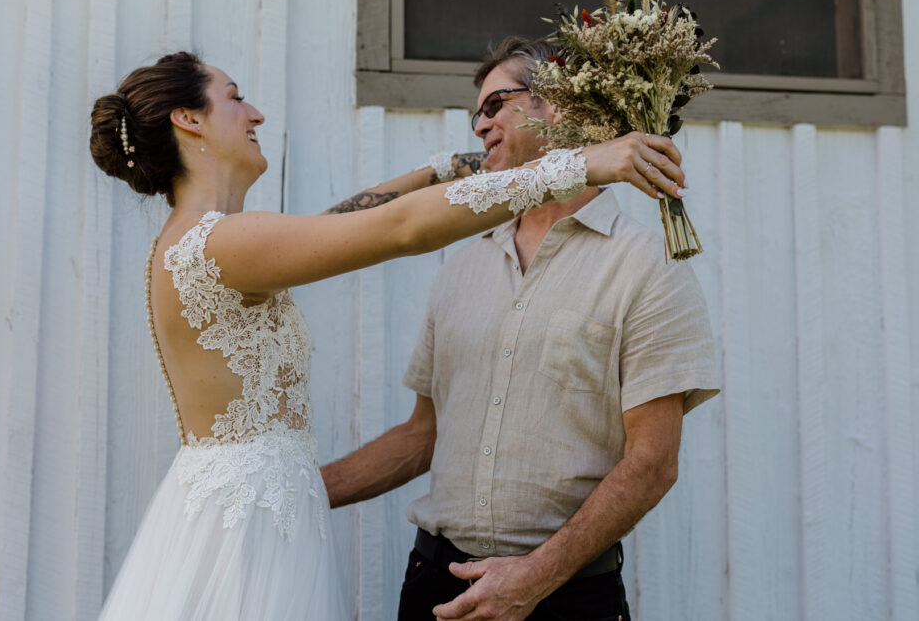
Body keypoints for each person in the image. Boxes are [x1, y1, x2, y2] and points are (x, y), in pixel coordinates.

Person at [88, 51, 687, 620]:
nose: (256, 114)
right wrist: (582, 164)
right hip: (248, 528)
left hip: (256, 509)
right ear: (189, 119)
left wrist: (444, 169)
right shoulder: (219, 242)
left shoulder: (216, 241)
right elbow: (398, 229)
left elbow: (337, 227)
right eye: (235, 98)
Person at [321, 36, 721, 621]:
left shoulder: (645, 265)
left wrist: (535, 577)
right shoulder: (462, 262)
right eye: (475, 113)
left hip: (566, 598)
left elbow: (653, 462)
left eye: (493, 105)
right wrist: (300, 493)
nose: (479, 126)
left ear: (555, 104)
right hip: (436, 589)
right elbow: (422, 436)